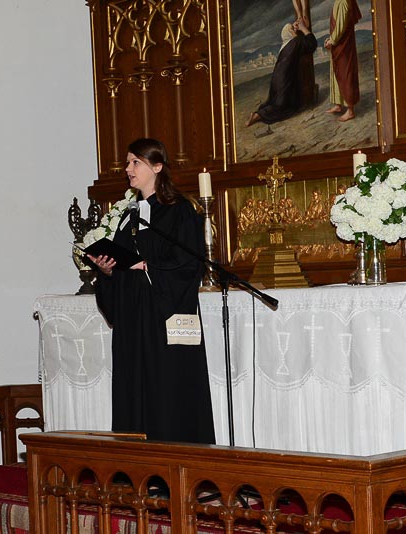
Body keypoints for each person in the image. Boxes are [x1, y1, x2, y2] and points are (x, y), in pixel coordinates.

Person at [87, 138, 215, 444]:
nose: (128, 169)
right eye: (127, 163)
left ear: (157, 167)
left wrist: (147, 265)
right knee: (134, 393)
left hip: (163, 321)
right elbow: (122, 266)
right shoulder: (128, 217)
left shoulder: (179, 211)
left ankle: (176, 462)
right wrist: (107, 271)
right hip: (134, 323)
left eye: (135, 162)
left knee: (167, 394)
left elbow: (189, 264)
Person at [246, 19, 317, 127]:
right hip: (284, 79)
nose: (295, 30)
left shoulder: (286, 44)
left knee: (275, 101)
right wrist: (303, 28)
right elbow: (311, 44)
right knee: (281, 107)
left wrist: (295, 29)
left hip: (278, 79)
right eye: (292, 29)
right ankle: (257, 116)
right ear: (289, 33)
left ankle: (259, 114)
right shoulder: (294, 43)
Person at [324, 0, 362, 122]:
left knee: (346, 73)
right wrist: (331, 39)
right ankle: (338, 104)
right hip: (339, 44)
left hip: (344, 45)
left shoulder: (344, 1)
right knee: (337, 71)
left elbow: (341, 26)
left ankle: (350, 110)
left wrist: (332, 40)